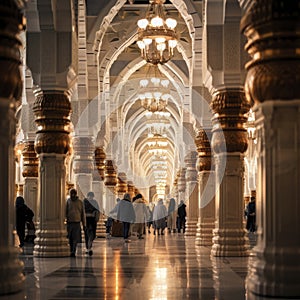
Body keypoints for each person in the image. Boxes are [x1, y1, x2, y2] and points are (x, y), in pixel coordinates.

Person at [66, 189, 86, 257]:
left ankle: (73, 251)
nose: (72, 195)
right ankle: (71, 249)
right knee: (70, 237)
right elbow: (65, 211)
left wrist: (84, 224)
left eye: (74, 193)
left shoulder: (80, 202)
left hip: (77, 222)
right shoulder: (68, 201)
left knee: (75, 238)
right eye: (71, 193)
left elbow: (83, 214)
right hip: (69, 222)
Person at [83, 191, 99, 256]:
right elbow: (82, 211)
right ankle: (88, 247)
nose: (90, 197)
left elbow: (97, 210)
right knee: (87, 234)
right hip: (86, 220)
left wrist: (96, 216)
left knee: (92, 234)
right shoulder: (84, 202)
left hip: (93, 220)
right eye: (89, 196)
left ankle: (89, 246)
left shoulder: (95, 202)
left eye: (91, 196)